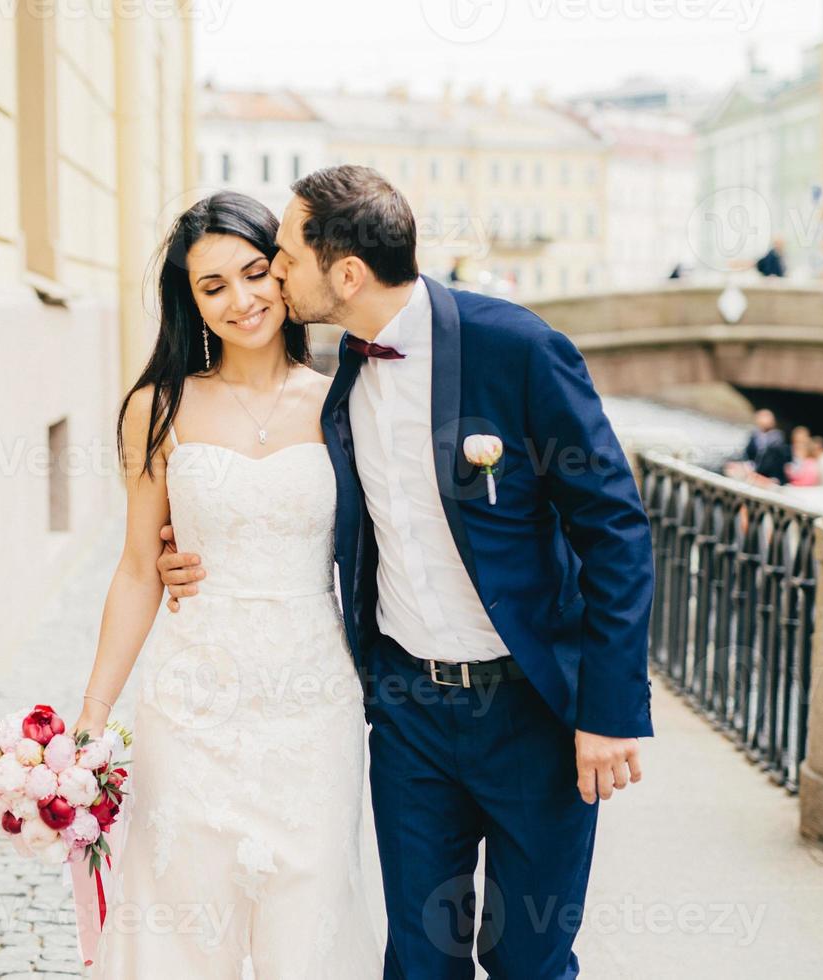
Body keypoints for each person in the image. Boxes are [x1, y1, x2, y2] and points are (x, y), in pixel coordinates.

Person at [158, 166, 654, 978]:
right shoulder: (339, 378)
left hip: (533, 708)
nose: (274, 274)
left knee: (528, 958)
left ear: (344, 273)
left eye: (284, 256)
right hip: (409, 715)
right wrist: (177, 548)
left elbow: (616, 529)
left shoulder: (517, 348)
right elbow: (277, 496)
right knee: (420, 960)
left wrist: (608, 710)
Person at [78, 191, 380, 977]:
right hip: (191, 703)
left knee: (306, 920)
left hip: (313, 703)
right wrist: (92, 717)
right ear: (191, 301)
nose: (242, 301)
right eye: (214, 287)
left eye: (254, 274)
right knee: (183, 920)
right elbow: (141, 568)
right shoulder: (158, 407)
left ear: (284, 275)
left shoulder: (346, 401)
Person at [739, 409, 792, 484]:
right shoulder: (754, 436)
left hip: (769, 477)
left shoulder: (777, 440)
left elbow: (778, 462)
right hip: (752, 473)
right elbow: (747, 454)